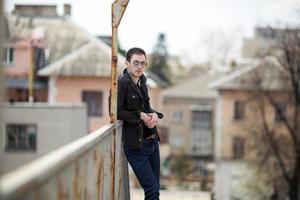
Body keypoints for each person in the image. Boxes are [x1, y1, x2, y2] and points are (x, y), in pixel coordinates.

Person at [117, 47, 163, 200]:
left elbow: (146, 108)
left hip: (152, 142)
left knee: (155, 188)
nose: (140, 67)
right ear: (127, 63)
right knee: (152, 190)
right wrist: (141, 116)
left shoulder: (142, 81)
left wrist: (154, 115)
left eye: (143, 63)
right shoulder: (121, 84)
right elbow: (117, 112)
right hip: (136, 147)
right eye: (136, 63)